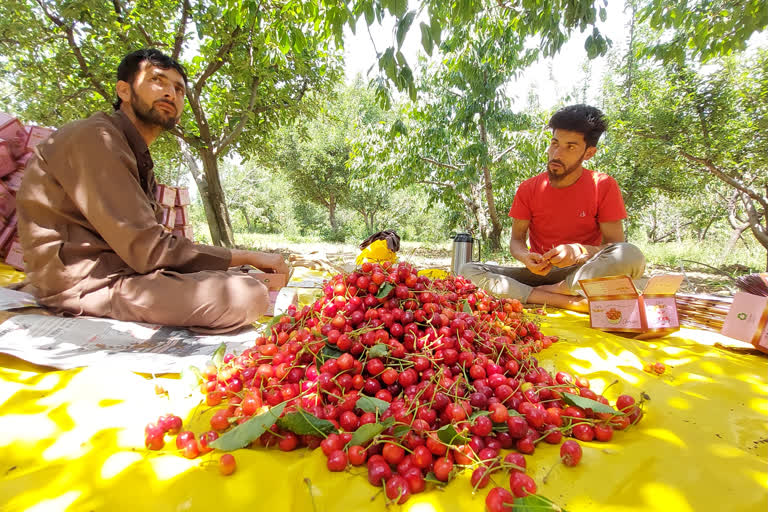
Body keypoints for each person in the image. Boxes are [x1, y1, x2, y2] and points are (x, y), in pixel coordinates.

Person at [17, 48, 288, 333]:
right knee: (246, 295)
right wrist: (244, 256)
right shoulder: (97, 138)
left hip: (124, 271)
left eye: (179, 89)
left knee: (238, 281)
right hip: (87, 282)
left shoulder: (131, 151)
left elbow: (148, 247)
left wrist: (229, 264)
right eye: (157, 81)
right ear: (124, 90)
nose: (171, 93)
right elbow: (148, 249)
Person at [460, 104, 645, 312]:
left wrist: (579, 251)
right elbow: (517, 241)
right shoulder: (528, 188)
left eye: (570, 147)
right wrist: (526, 258)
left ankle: (554, 291)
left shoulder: (603, 185)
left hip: (583, 273)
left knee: (630, 254)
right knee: (468, 270)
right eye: (555, 143)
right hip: (539, 275)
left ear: (589, 153)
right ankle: (564, 299)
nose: (556, 153)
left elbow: (615, 246)